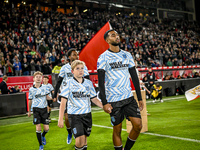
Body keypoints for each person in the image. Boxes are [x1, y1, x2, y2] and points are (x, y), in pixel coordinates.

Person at [97, 29, 143, 150]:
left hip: (128, 97)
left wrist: (140, 98)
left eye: (117, 35)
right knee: (117, 130)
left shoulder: (127, 55)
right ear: (107, 40)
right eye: (113, 35)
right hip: (113, 100)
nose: (117, 37)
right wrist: (104, 102)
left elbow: (134, 78)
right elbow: (100, 83)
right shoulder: (103, 57)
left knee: (138, 125)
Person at [58, 60, 103, 150]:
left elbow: (94, 98)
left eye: (82, 68)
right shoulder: (68, 83)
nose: (80, 70)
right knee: (79, 140)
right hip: (74, 116)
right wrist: (60, 118)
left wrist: (104, 107)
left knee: (84, 140)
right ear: (72, 71)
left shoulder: (88, 83)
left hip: (87, 115)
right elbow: (63, 102)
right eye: (77, 68)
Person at [53, 48, 90, 144]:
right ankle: (69, 133)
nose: (76, 56)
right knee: (66, 118)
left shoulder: (83, 67)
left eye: (76, 54)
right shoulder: (64, 68)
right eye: (74, 54)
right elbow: (59, 81)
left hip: (78, 96)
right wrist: (55, 94)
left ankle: (80, 136)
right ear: (69, 57)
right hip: (67, 95)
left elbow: (87, 79)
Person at [28, 71, 52, 150]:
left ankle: (43, 135)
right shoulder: (31, 89)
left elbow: (48, 97)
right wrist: (29, 111)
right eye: (37, 77)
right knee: (38, 128)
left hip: (44, 110)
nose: (38, 78)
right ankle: (40, 145)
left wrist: (54, 97)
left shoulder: (45, 88)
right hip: (36, 110)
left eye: (40, 77)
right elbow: (30, 100)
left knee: (46, 129)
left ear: (41, 79)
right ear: (34, 79)